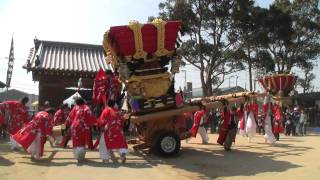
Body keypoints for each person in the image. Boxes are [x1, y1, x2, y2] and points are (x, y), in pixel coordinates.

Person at [65, 97, 96, 163]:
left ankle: (77, 156)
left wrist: (66, 124)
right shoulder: (86, 107)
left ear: (76, 102)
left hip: (74, 126)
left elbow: (69, 117)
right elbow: (91, 116)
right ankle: (80, 156)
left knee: (75, 141)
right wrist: (93, 124)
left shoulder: (75, 108)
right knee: (82, 142)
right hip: (83, 127)